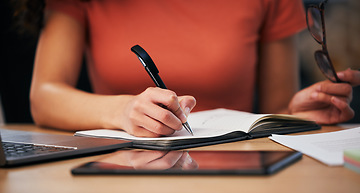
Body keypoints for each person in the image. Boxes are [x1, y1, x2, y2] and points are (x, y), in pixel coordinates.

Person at [14, 0, 359, 137]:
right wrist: (122, 111)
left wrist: (294, 115)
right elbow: (44, 97)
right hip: (118, 169)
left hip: (237, 176)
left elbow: (276, 106)